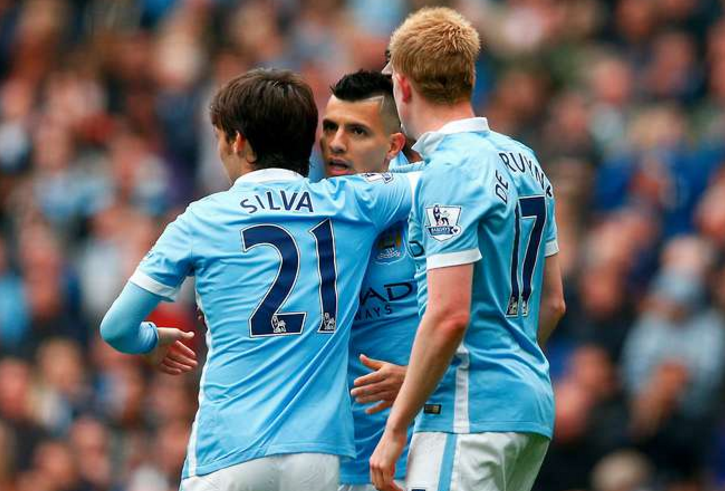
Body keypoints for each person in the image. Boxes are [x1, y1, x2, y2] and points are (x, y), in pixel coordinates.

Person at [99, 68, 415, 491]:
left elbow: (116, 327)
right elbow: (444, 176)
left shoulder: (201, 219)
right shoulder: (351, 202)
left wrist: (151, 340)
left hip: (229, 449)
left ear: (238, 142)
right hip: (316, 456)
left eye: (219, 138)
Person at [370, 8, 566, 491]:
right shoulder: (523, 157)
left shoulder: (449, 169)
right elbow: (553, 303)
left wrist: (395, 427)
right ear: (470, 78)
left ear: (403, 86)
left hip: (466, 415)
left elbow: (449, 314)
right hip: (527, 408)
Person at [319, 69, 419, 491]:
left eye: (357, 131)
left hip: (424, 450)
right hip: (341, 462)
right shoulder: (316, 213)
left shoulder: (434, 205)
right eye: (330, 127)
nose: (336, 143)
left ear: (394, 145)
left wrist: (418, 377)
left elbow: (482, 321)